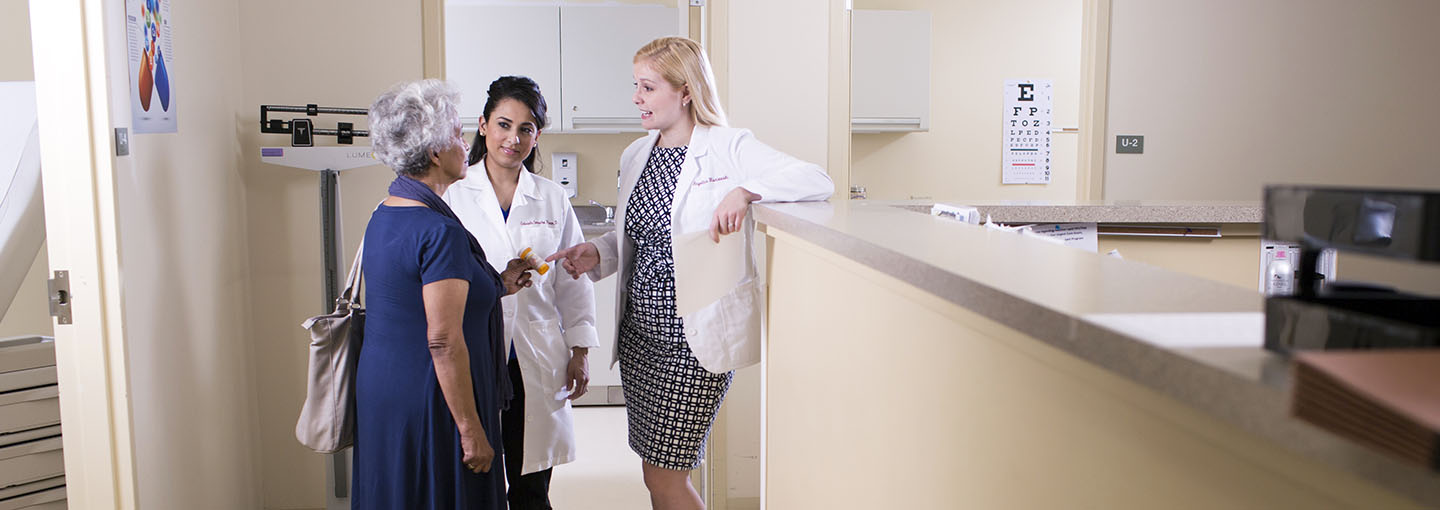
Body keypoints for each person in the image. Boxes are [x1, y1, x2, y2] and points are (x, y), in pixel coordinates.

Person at [546, 37, 833, 509]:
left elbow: (817, 180)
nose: (636, 97)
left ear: (685, 91)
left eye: (648, 86)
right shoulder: (637, 154)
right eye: (635, 85)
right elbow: (640, 239)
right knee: (652, 472)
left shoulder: (727, 147)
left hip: (691, 344)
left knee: (666, 478)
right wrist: (598, 253)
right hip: (641, 338)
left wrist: (746, 191)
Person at [352, 79, 537, 510]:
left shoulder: (386, 213)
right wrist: (472, 430)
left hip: (385, 394)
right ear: (435, 152)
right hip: (432, 400)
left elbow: (414, 295)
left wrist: (498, 284)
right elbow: (442, 339)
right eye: (456, 133)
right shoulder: (439, 231)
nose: (464, 142)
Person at [443, 75, 598, 510]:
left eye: (525, 129)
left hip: (534, 356)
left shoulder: (551, 197)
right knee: (477, 477)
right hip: (475, 353)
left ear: (537, 135)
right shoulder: (455, 194)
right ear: (483, 125)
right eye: (504, 125)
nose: (513, 138)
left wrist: (580, 349)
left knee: (531, 488)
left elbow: (572, 279)